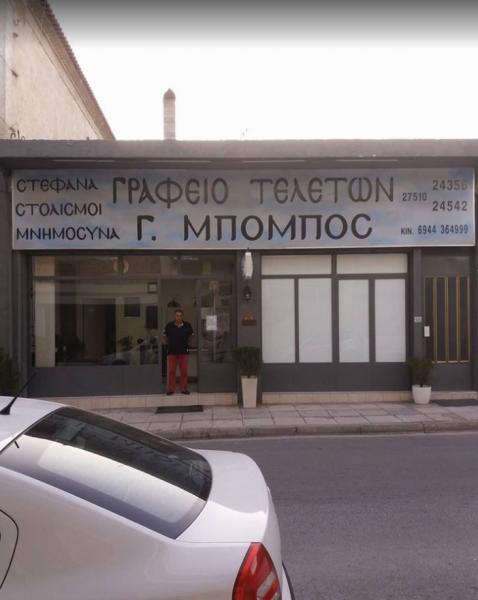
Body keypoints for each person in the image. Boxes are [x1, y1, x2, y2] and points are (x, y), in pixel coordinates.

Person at [162, 309, 193, 395]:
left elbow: (191, 336)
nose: (178, 317)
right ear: (174, 316)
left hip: (184, 352)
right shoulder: (169, 326)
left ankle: (183, 389)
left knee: (184, 371)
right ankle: (171, 389)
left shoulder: (187, 325)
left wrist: (187, 344)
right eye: (177, 315)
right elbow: (164, 337)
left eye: (180, 315)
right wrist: (169, 345)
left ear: (182, 316)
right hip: (172, 352)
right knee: (171, 371)